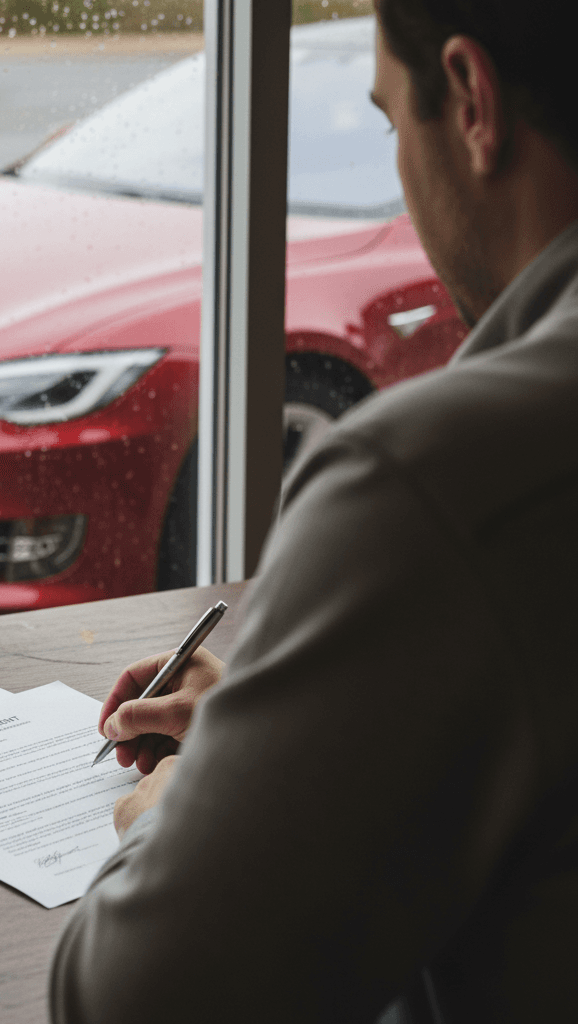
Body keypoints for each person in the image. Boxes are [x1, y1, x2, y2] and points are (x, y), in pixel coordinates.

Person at [49, 1, 578, 1020]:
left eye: (391, 122)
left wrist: (178, 808)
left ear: (471, 100)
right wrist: (291, 733)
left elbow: (124, 1003)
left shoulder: (437, 477)